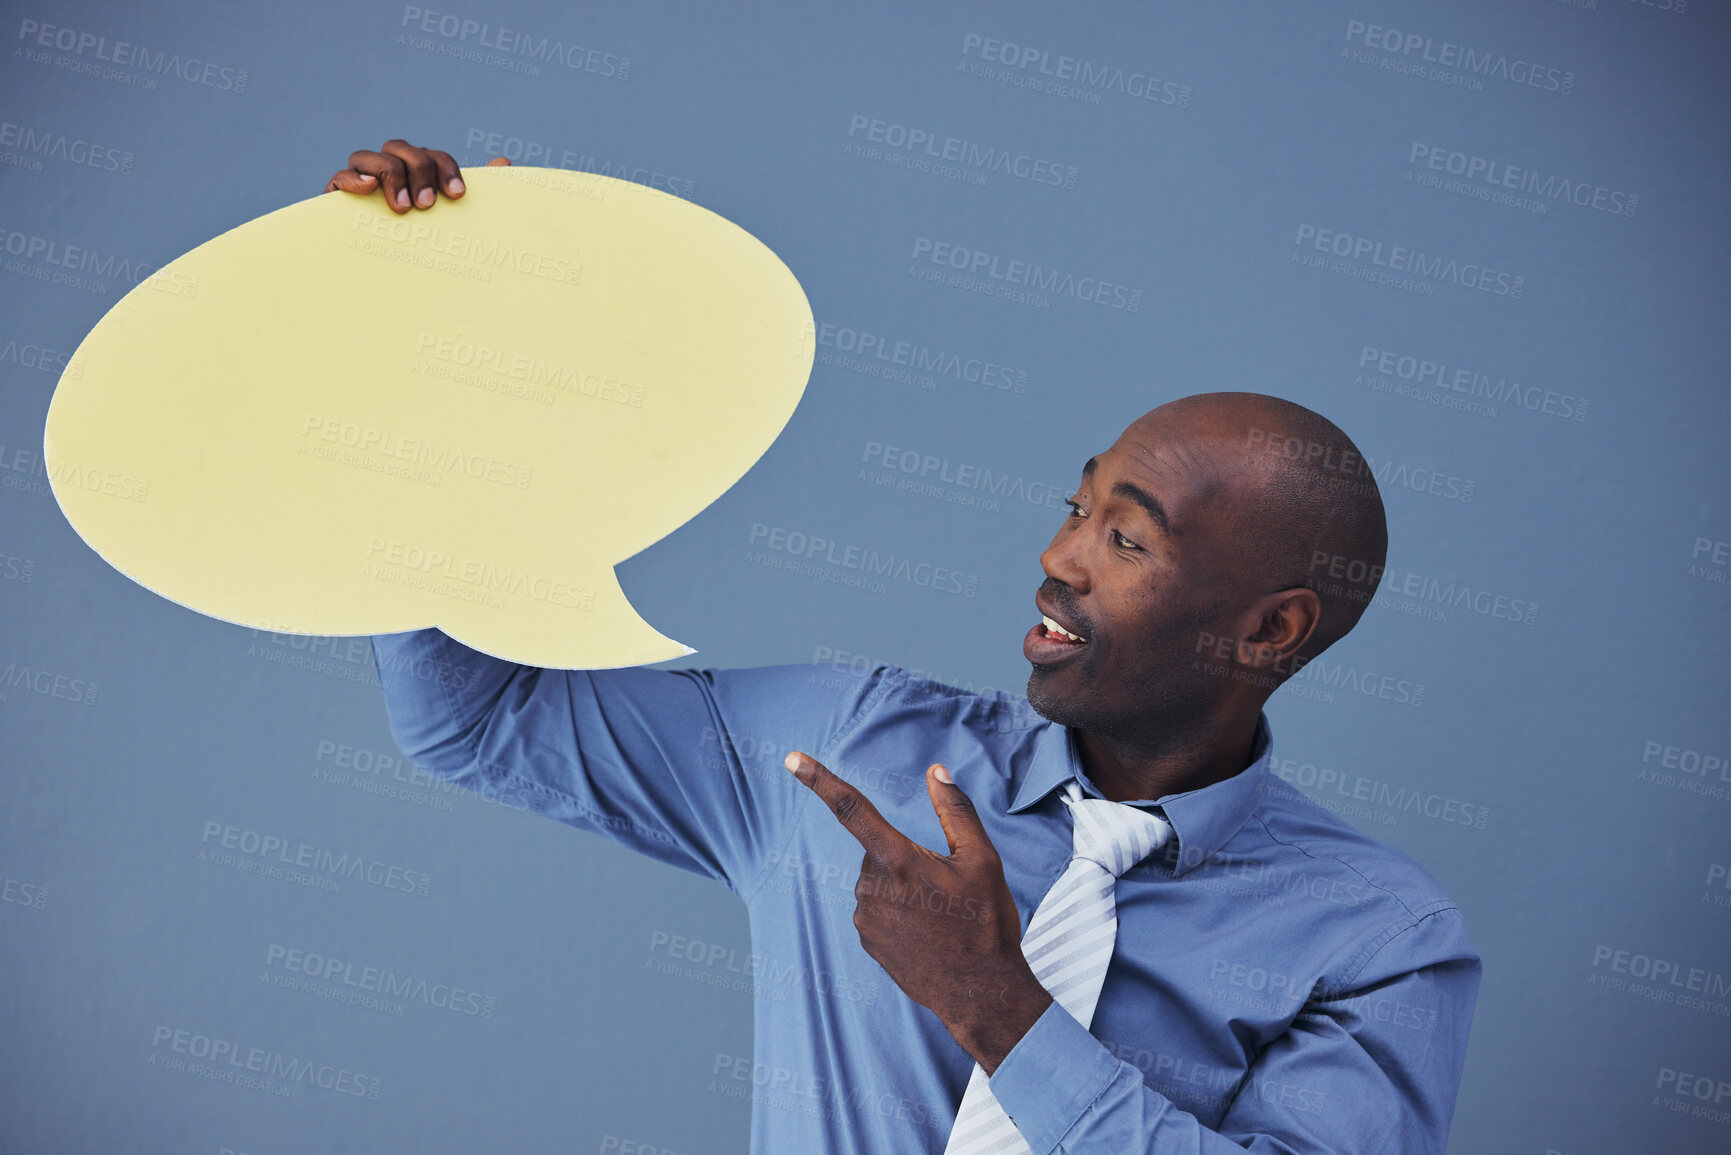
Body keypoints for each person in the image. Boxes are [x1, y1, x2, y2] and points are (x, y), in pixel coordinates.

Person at [333, 141, 1480, 1154]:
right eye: (1076, 507)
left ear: (1270, 630)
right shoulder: (855, 750)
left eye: (1127, 538)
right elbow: (478, 719)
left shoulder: (1379, 935)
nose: (1061, 558)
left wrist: (996, 1008)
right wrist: (447, 361)